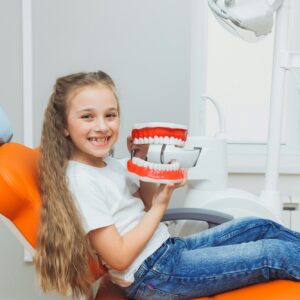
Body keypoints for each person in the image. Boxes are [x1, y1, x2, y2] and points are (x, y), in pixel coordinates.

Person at [35, 70, 300, 300]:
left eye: (110, 115)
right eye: (87, 117)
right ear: (63, 126)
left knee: (257, 226)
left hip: (166, 251)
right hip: (154, 276)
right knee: (274, 254)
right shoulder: (81, 180)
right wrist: (159, 208)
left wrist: (144, 163)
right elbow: (119, 258)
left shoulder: (108, 164)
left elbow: (145, 204)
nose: (102, 126)